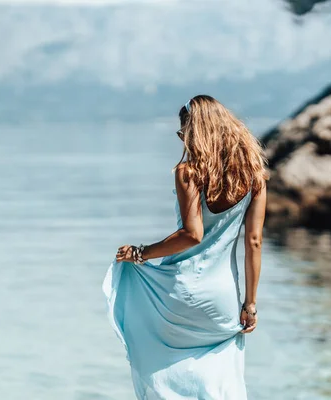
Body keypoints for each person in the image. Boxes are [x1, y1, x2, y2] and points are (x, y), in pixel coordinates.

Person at [102, 94, 268, 399]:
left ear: (194, 134)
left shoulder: (189, 172)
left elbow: (192, 234)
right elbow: (254, 242)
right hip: (223, 298)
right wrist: (250, 304)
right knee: (221, 376)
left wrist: (141, 254)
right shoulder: (255, 173)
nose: (182, 142)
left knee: (153, 354)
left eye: (183, 135)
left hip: (180, 293)